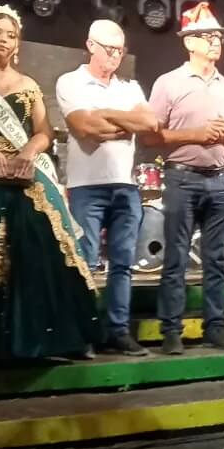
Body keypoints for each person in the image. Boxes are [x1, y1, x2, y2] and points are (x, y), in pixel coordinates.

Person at [0, 5, 100, 360]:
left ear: (17, 44)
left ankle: (56, 336)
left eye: (11, 35)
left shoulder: (28, 85)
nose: (4, 40)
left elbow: (43, 131)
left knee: (46, 229)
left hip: (23, 167)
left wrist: (29, 151)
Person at [145, 1, 224, 355]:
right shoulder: (168, 83)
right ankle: (171, 330)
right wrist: (196, 135)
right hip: (182, 179)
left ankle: (215, 328)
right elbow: (150, 137)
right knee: (176, 257)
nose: (216, 41)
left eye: (218, 36)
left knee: (217, 259)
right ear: (189, 42)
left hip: (221, 180)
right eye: (207, 36)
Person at [56, 19, 159, 357]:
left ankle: (118, 331)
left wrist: (106, 113)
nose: (115, 55)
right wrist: (124, 123)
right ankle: (83, 333)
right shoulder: (71, 81)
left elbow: (149, 122)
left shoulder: (130, 87)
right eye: (109, 49)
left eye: (120, 50)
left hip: (125, 186)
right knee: (85, 262)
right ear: (90, 46)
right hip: (87, 186)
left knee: (123, 264)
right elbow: (84, 127)